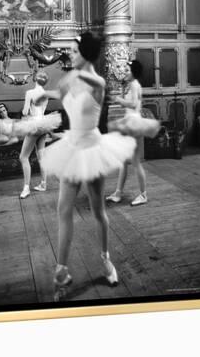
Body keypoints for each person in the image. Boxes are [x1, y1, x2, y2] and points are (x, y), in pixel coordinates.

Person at [38, 33, 137, 301]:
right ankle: (61, 271)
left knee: (98, 211)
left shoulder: (97, 82)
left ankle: (106, 259)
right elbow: (60, 93)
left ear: (87, 52)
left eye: (74, 49)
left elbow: (96, 81)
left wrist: (76, 76)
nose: (69, 53)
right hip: (71, 148)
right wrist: (42, 95)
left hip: (92, 149)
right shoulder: (70, 78)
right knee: (63, 210)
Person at [106, 60, 160, 206]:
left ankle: (143, 195)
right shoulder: (131, 85)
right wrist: (123, 91)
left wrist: (118, 99)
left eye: (128, 70)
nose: (125, 72)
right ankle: (118, 193)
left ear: (134, 72)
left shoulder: (135, 85)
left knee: (135, 162)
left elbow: (134, 104)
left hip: (134, 123)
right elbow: (126, 103)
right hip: (129, 121)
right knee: (123, 161)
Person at [19, 71, 51, 199]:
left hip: (33, 125)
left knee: (23, 157)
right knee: (41, 156)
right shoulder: (46, 94)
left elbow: (26, 111)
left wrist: (24, 110)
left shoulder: (30, 93)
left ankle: (26, 188)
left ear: (35, 79)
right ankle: (43, 184)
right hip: (43, 124)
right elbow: (42, 111)